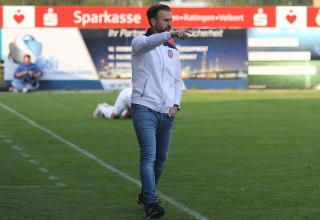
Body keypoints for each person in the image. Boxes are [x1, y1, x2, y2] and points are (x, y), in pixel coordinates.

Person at [130, 4, 191, 218]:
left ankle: (145, 194)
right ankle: (151, 203)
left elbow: (176, 81)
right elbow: (148, 43)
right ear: (153, 21)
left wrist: (176, 104)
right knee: (148, 156)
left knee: (161, 159)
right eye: (165, 20)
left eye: (171, 20)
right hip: (144, 107)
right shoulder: (139, 42)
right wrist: (170, 34)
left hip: (167, 112)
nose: (170, 23)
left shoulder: (172, 49)